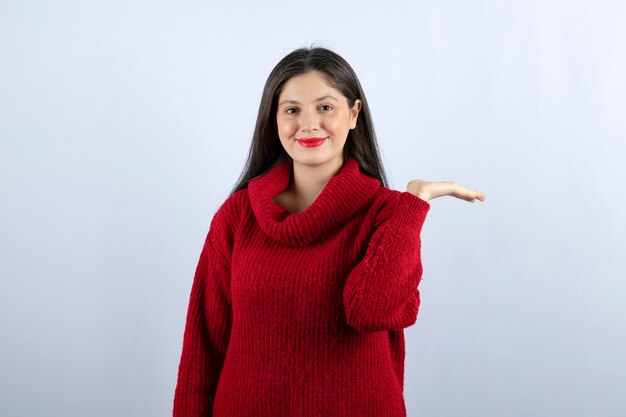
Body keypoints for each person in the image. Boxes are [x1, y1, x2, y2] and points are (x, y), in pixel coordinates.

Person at [173, 46, 485, 417]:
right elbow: (202, 347)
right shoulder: (238, 216)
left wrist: (413, 204)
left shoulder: (387, 214)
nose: (308, 124)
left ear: (354, 114)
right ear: (273, 120)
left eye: (325, 107)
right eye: (292, 110)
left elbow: (373, 310)